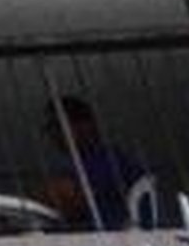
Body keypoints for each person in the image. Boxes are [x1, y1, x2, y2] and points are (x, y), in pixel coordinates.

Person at [40, 94, 146, 229]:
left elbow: (66, 201)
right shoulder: (85, 162)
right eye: (50, 129)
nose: (53, 135)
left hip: (110, 241)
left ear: (84, 125)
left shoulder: (107, 161)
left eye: (55, 126)